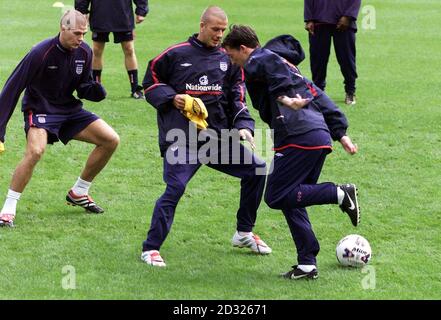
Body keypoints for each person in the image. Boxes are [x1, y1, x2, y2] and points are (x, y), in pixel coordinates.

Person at [222, 25, 361, 280]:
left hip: (297, 136)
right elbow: (318, 95)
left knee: (276, 195)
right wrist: (341, 133)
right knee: (293, 199)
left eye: (232, 56)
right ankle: (307, 264)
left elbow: (268, 70)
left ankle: (340, 193)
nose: (234, 63)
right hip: (317, 135)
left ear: (243, 49)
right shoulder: (289, 68)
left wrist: (285, 99)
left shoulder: (262, 59)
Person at [140, 6, 271, 267]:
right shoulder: (175, 54)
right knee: (175, 187)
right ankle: (150, 248)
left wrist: (243, 124)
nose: (219, 35)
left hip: (216, 140)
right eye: (215, 29)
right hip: (181, 139)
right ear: (202, 25)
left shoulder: (228, 59)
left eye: (223, 30)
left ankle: (243, 233)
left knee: (258, 169)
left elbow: (236, 95)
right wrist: (172, 97)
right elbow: (150, 82)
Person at [0, 10, 120, 227]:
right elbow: (12, 88)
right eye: (76, 33)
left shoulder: (84, 52)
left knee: (110, 139)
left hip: (68, 110)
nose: (81, 39)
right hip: (39, 108)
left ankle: (79, 191)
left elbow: (83, 86)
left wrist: (95, 91)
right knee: (35, 151)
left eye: (84, 33)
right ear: (62, 29)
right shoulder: (40, 53)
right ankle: (8, 208)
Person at [75, 0, 149, 99]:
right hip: (100, 13)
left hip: (123, 14)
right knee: (97, 50)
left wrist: (141, 10)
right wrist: (81, 10)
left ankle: (135, 88)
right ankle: (96, 87)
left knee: (129, 49)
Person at [304, 0, 362, 105]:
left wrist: (348, 15)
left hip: (344, 21)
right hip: (319, 20)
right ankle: (318, 92)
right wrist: (309, 19)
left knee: (346, 58)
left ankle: (350, 91)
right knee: (318, 60)